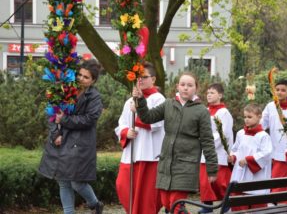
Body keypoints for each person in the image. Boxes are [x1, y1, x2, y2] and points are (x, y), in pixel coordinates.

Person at [132, 72, 218, 214]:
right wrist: (141, 100)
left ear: (196, 88)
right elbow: (147, 117)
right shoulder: (168, 104)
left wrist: (212, 169)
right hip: (166, 163)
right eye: (182, 84)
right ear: (177, 86)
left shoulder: (201, 111)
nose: (185, 88)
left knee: (175, 205)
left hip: (186, 164)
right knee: (166, 203)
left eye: (190, 85)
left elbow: (208, 141)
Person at [38, 59, 104, 214]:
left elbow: (90, 119)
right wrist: (55, 134)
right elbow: (53, 112)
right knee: (63, 182)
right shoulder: (66, 88)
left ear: (93, 80)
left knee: (76, 182)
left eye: (86, 77)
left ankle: (94, 203)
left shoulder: (94, 96)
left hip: (80, 143)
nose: (81, 78)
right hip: (61, 140)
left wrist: (65, 120)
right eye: (79, 74)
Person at [115, 62, 164, 214]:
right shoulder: (130, 100)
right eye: (138, 77)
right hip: (131, 153)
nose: (140, 80)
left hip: (149, 154)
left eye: (144, 77)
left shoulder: (159, 99)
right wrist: (125, 133)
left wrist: (137, 116)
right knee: (123, 186)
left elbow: (157, 123)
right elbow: (121, 124)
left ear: (153, 79)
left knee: (146, 197)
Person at [198, 83, 234, 214]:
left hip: (217, 152)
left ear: (220, 95)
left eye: (212, 92)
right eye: (207, 93)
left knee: (219, 183)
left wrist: (207, 142)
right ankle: (207, 206)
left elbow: (223, 133)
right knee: (204, 182)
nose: (209, 95)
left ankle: (226, 206)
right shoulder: (205, 111)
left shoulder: (224, 112)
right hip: (204, 152)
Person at [229, 103, 272, 211]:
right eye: (245, 117)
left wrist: (248, 160)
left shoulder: (263, 136)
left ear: (259, 117)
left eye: (249, 117)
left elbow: (266, 153)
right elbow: (236, 150)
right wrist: (233, 157)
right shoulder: (240, 133)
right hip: (240, 173)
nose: (246, 120)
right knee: (238, 202)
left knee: (256, 205)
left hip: (256, 175)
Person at [261, 79, 287, 192]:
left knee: (280, 177)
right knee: (271, 175)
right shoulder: (270, 106)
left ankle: (277, 199)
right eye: (277, 90)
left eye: (283, 90)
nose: (279, 92)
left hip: (285, 148)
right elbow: (263, 123)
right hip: (272, 145)